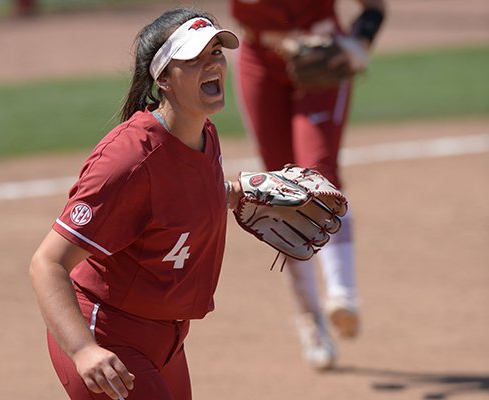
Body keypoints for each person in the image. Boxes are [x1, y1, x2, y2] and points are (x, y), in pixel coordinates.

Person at [29, 6, 241, 399]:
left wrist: (238, 194)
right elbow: (47, 263)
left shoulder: (203, 136)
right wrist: (84, 350)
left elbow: (172, 197)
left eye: (216, 52)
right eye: (195, 57)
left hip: (167, 339)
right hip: (108, 338)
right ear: (163, 78)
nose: (213, 64)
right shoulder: (128, 160)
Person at [230, 0, 386, 370]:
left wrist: (358, 44)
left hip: (323, 56)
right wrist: (286, 43)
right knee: (277, 189)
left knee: (320, 172)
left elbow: (374, 7)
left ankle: (342, 293)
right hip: (261, 60)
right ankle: (310, 320)